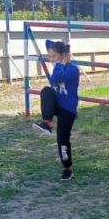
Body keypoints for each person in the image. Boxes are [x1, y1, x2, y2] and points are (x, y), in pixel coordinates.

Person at [32, 40, 80, 181]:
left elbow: (56, 79)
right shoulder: (58, 65)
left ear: (63, 56)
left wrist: (62, 63)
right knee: (46, 91)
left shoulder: (73, 69)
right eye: (49, 56)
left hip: (68, 109)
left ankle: (67, 169)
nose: (51, 59)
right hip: (57, 105)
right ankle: (47, 124)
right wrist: (60, 57)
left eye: (53, 56)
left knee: (62, 140)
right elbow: (48, 42)